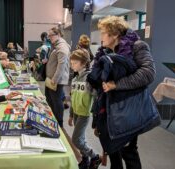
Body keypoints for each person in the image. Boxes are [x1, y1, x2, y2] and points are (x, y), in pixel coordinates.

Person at [88, 15, 160, 169]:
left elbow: (148, 73)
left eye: (103, 33)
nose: (100, 37)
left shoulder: (137, 46)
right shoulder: (105, 52)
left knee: (128, 151)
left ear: (114, 34)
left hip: (129, 110)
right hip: (109, 109)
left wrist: (117, 84)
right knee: (113, 150)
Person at [68, 49, 100, 169]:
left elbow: (96, 97)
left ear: (83, 63)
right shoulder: (75, 79)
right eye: (71, 63)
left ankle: (95, 156)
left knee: (76, 140)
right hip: (76, 112)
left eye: (74, 63)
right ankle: (85, 160)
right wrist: (71, 115)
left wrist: (96, 117)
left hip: (84, 114)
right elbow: (72, 98)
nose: (72, 66)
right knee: (80, 138)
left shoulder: (89, 79)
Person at [45, 27, 70, 127]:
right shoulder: (56, 45)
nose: (49, 37)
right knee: (51, 101)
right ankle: (53, 120)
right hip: (51, 79)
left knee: (57, 102)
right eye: (49, 35)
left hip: (56, 81)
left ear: (58, 34)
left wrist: (54, 80)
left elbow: (61, 66)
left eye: (51, 35)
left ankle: (59, 124)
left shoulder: (62, 46)